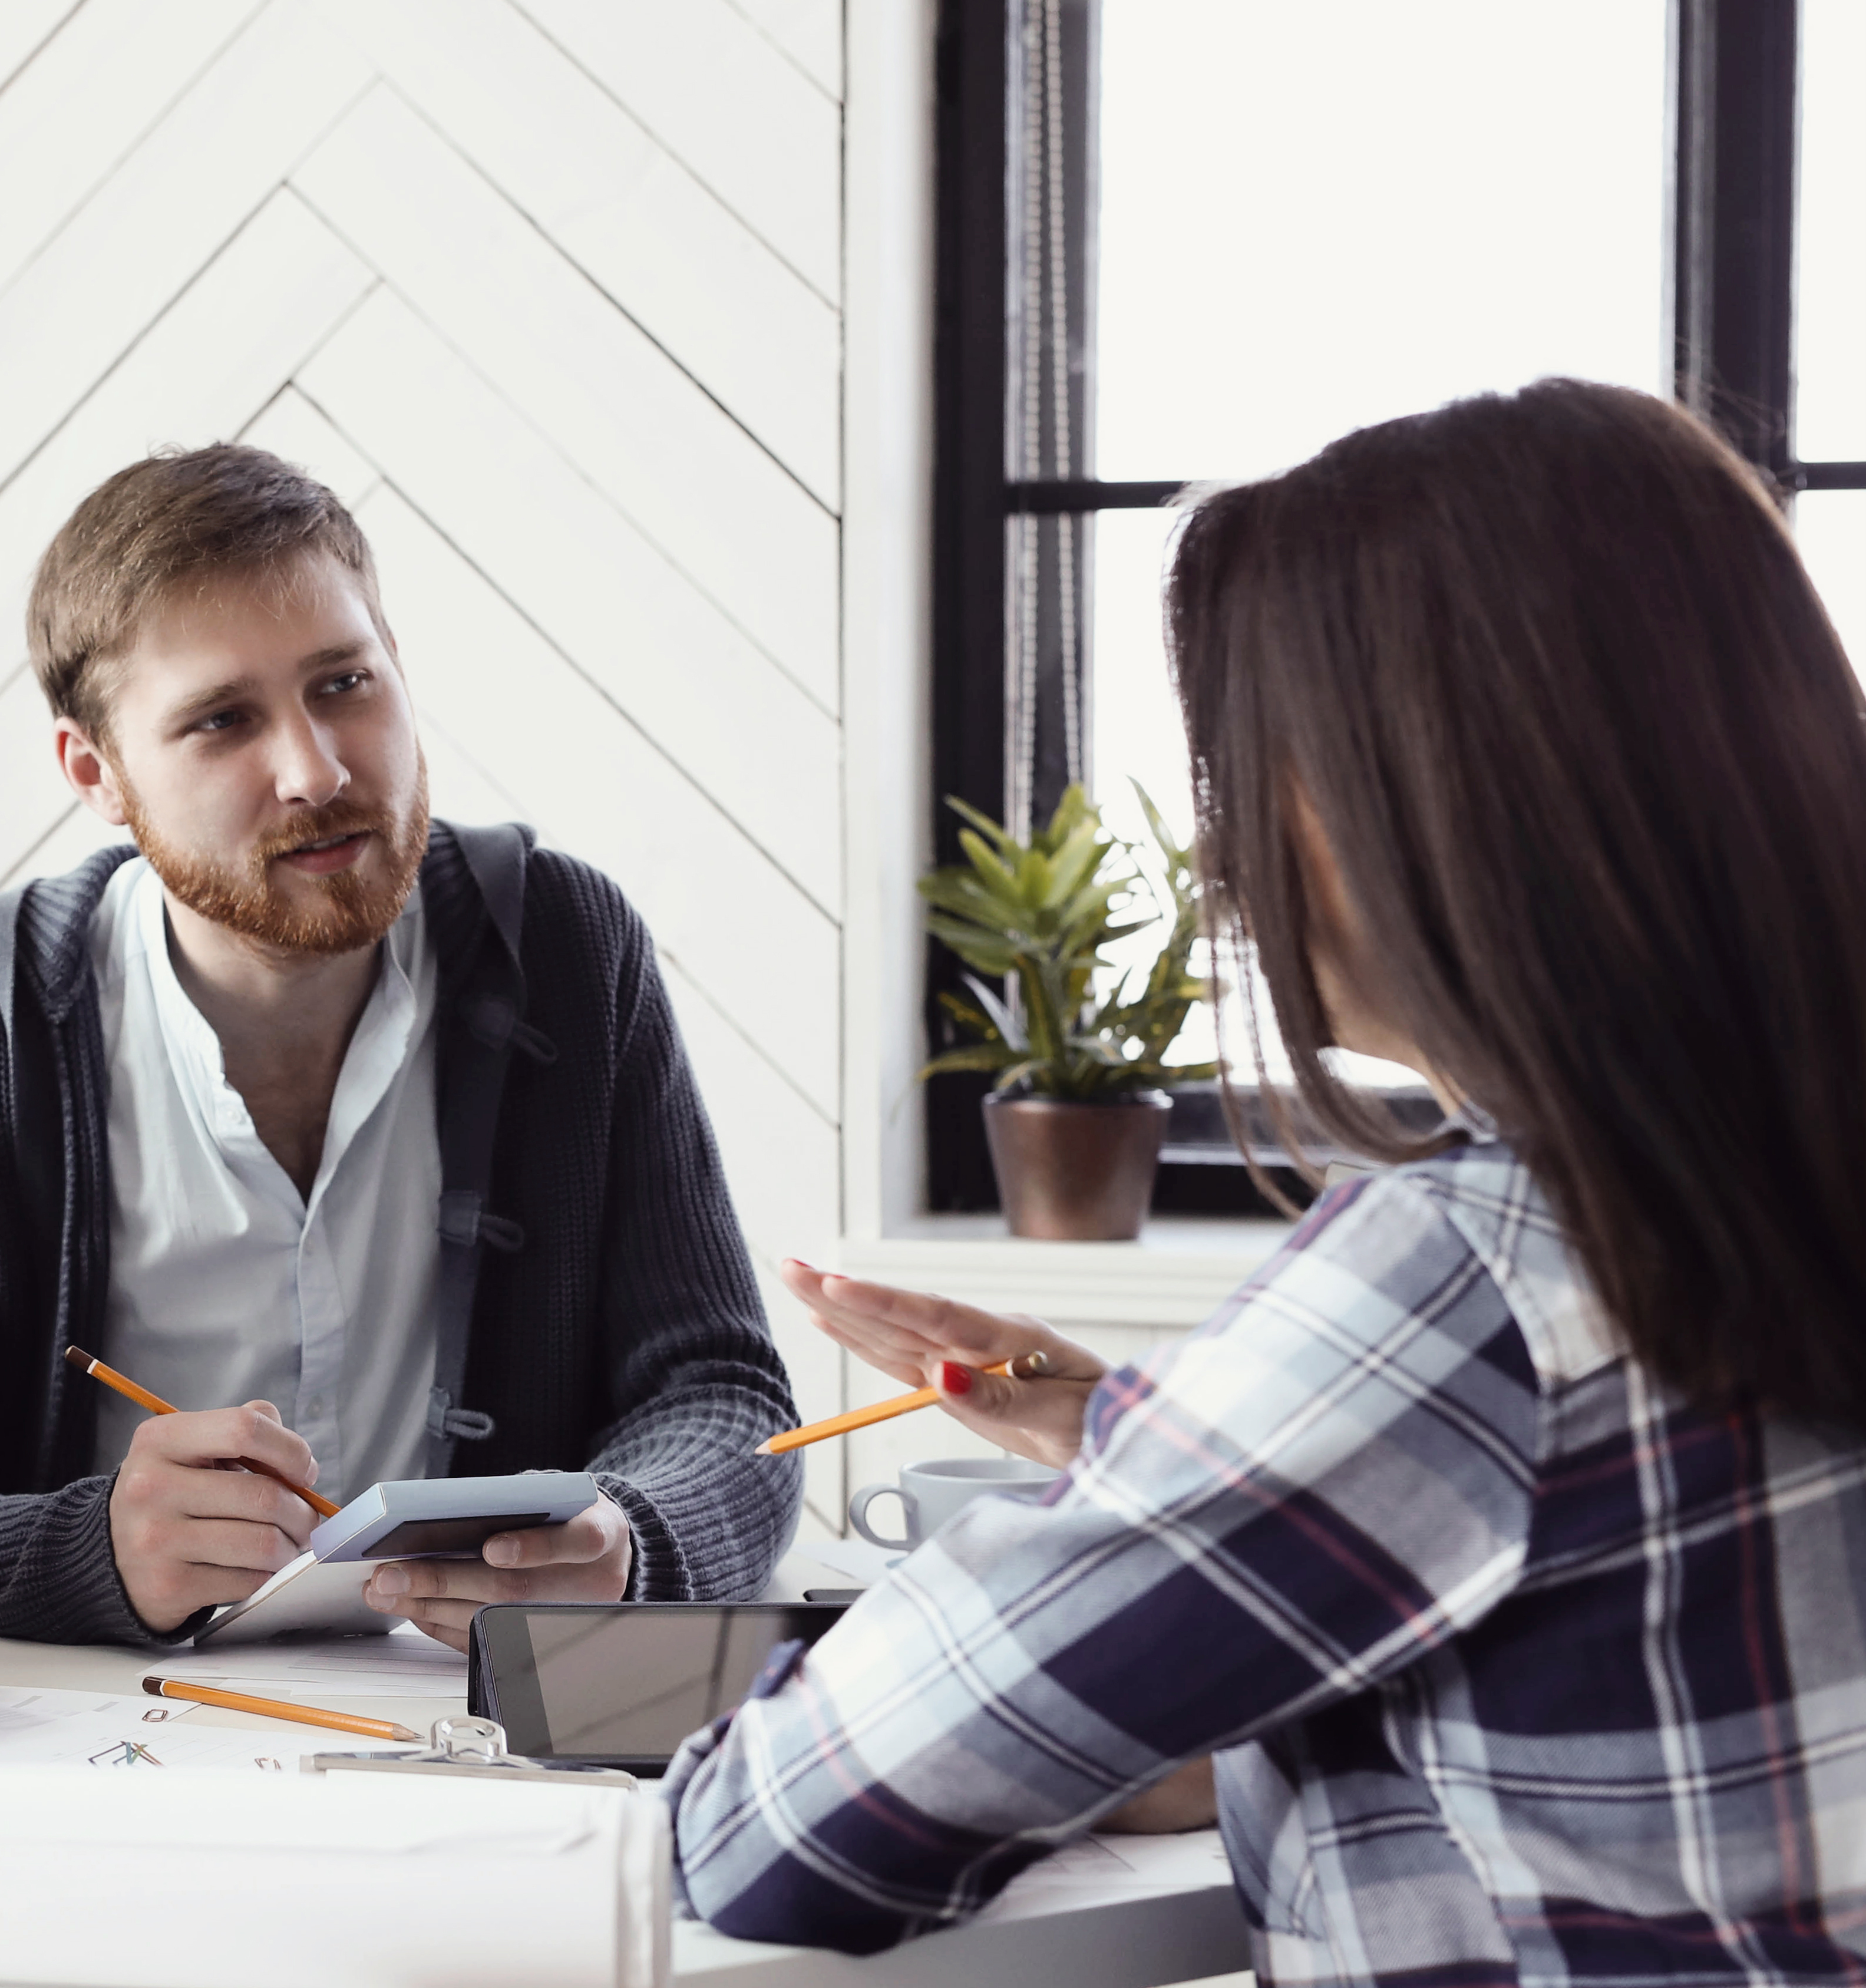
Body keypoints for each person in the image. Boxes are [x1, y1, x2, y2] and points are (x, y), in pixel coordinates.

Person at [666, 380, 1866, 1977]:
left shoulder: (1472, 1278)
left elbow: (782, 1830)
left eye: (1244, 776)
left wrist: (1131, 1507)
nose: (1224, 871)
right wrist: (1148, 1446)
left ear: (1432, 797)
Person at [0, 444, 801, 1647]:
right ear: (95, 773)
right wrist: (90, 1546)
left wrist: (630, 1540)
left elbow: (724, 1401)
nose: (315, 771)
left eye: (343, 684)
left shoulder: (571, 951)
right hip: (99, 1720)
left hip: (486, 1717)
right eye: (222, 720)